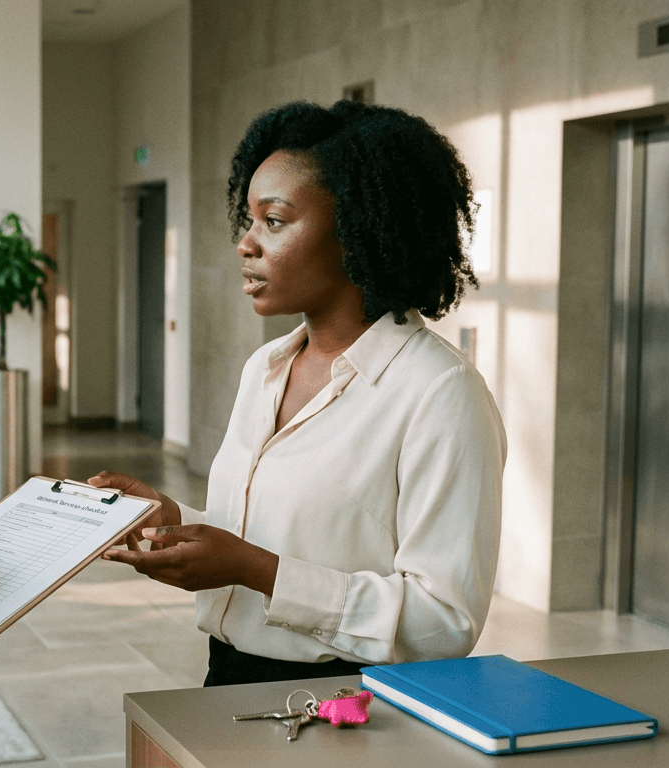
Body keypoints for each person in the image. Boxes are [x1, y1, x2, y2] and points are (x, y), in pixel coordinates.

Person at [92, 100, 507, 686]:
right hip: (228, 674)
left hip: (349, 703)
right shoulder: (266, 367)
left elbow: (443, 622)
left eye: (275, 221)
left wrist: (258, 572)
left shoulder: (440, 393)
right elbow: (268, 531)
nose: (246, 243)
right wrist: (172, 518)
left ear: (359, 229)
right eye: (250, 219)